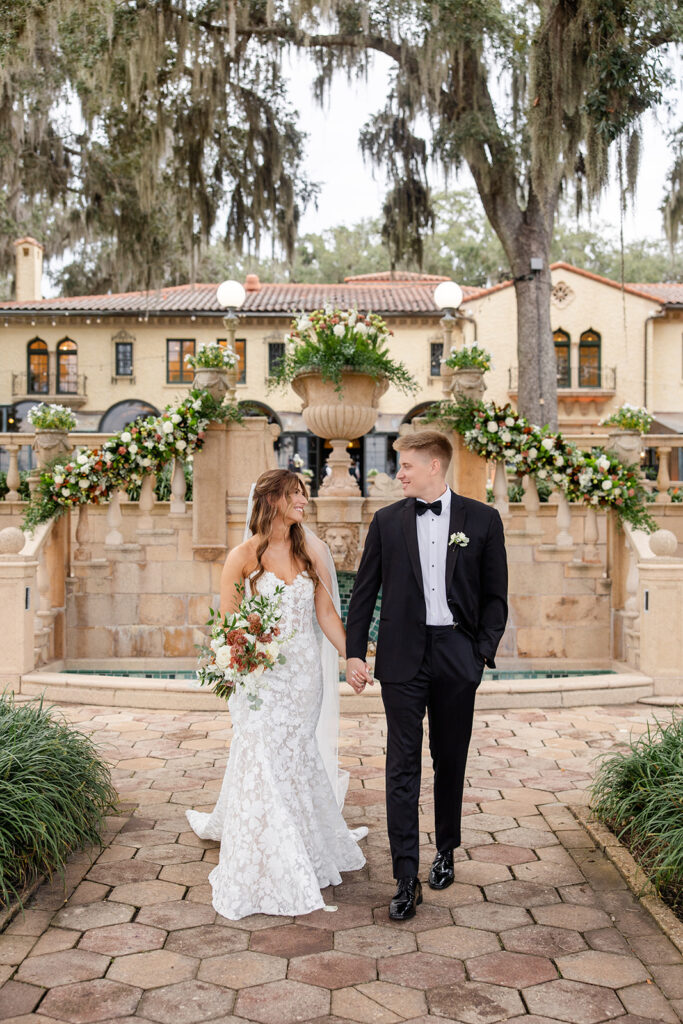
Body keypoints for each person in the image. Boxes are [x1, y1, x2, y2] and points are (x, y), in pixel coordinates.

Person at [186, 469, 367, 919]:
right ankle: (268, 852)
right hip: (260, 680)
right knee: (263, 754)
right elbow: (227, 624)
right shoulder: (242, 557)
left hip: (304, 676)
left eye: (304, 493)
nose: (304, 500)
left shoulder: (310, 554)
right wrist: (247, 654)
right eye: (296, 493)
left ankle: (299, 842)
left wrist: (352, 657)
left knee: (296, 754)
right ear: (272, 500)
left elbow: (325, 613)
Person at [345, 430, 508, 921]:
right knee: (401, 766)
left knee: (450, 758)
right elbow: (364, 594)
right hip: (401, 661)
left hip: (457, 656)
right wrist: (355, 653)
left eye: (407, 466)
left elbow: (496, 595)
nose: (399, 474)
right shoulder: (387, 522)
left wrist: (479, 654)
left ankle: (446, 851)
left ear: (434, 466)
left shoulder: (483, 519)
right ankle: (404, 876)